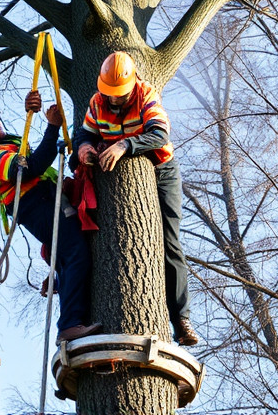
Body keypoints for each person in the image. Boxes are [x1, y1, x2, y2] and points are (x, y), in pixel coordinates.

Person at [70, 51, 198, 346]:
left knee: (170, 242)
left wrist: (125, 145)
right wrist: (84, 148)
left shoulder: (145, 95)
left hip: (161, 170)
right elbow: (83, 133)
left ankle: (180, 318)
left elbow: (160, 134)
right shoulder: (97, 101)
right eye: (109, 94)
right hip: (117, 178)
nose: (113, 100)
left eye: (119, 94)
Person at [0, 91, 101, 344]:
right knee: (75, 252)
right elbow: (31, 168)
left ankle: (62, 285)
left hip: (44, 200)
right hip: (35, 206)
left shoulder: (5, 144)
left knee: (72, 253)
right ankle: (69, 325)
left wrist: (32, 111)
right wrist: (52, 127)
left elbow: (30, 157)